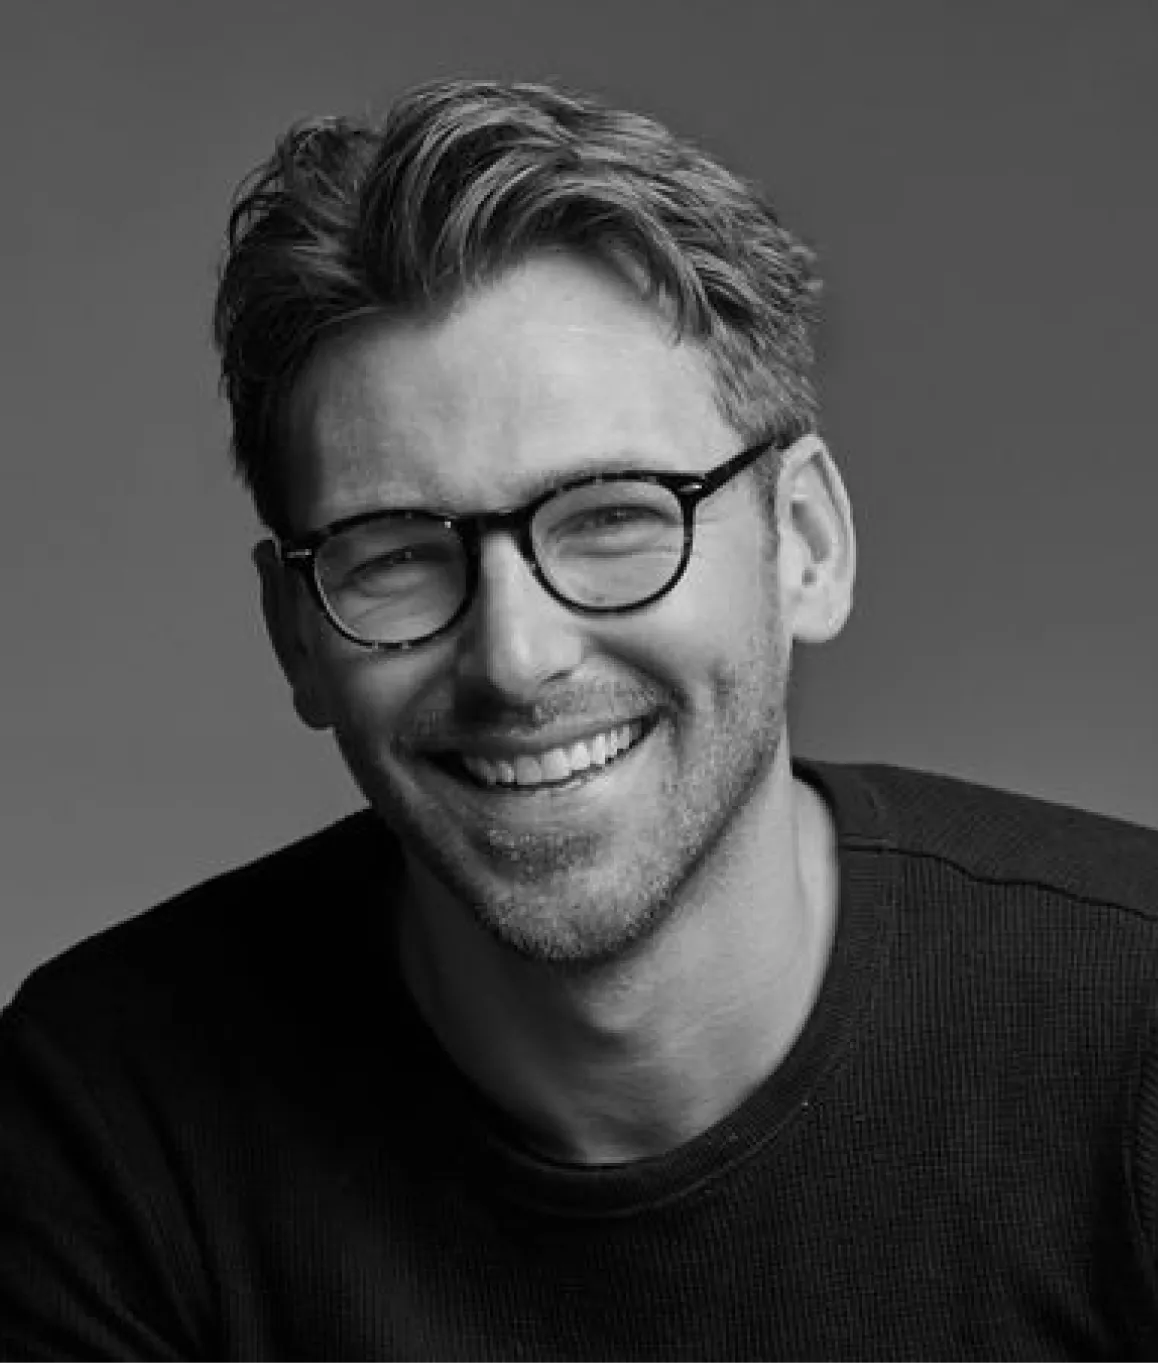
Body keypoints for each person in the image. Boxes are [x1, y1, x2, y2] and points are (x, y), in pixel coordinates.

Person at [2, 76, 1157, 1361]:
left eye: (612, 517)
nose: (515, 657)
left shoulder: (1133, 1035)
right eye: (397, 555)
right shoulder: (109, 1115)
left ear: (806, 544)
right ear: (297, 637)